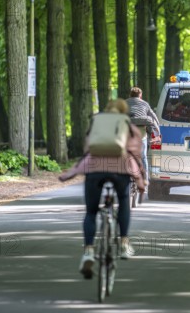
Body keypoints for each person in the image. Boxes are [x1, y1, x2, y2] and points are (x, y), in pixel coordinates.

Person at [58, 98, 145, 279]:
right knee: (123, 202)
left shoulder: (96, 123)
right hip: (121, 170)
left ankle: (89, 251)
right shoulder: (128, 126)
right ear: (124, 112)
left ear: (107, 110)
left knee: (90, 212)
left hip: (94, 169)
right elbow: (136, 154)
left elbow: (88, 147)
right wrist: (140, 178)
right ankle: (123, 243)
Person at [126, 87, 161, 194]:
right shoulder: (145, 104)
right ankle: (145, 180)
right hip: (141, 134)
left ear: (130, 95)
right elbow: (153, 116)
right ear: (140, 95)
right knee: (143, 156)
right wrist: (158, 129)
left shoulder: (124, 103)